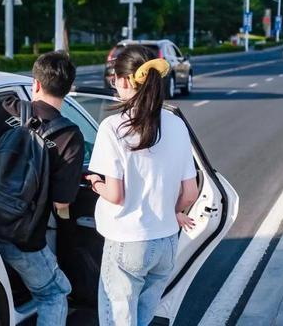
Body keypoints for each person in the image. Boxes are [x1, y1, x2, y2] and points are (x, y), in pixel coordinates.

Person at [85, 45, 199, 326]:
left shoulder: (113, 127)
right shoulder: (176, 124)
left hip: (127, 243)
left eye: (114, 79)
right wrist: (172, 213)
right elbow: (191, 192)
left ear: (124, 81)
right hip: (166, 245)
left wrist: (96, 184)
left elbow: (115, 194)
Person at [0, 51, 85, 326]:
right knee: (54, 292)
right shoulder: (69, 136)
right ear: (68, 89)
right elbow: (62, 202)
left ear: (35, 84)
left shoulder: (5, 108)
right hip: (23, 237)